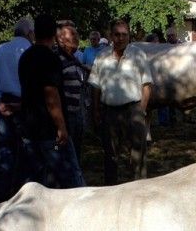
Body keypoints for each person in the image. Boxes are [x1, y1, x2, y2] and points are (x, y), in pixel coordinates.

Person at [18, 14, 85, 189]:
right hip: (49, 132)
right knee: (69, 175)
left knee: (38, 178)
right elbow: (51, 95)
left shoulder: (25, 57)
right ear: (54, 35)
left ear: (34, 33)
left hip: (29, 129)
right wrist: (61, 127)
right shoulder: (50, 58)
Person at [89, 19, 152, 185]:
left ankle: (140, 189)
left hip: (133, 110)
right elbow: (95, 87)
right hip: (109, 112)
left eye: (124, 34)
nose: (121, 38)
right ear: (111, 35)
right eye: (117, 34)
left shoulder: (138, 55)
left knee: (138, 153)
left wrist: (141, 111)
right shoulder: (101, 57)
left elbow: (146, 85)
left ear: (129, 36)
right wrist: (95, 110)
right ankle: (111, 190)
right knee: (110, 155)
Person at [0, 17, 34, 200]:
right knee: (27, 147)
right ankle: (24, 192)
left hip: (3, 102)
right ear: (30, 33)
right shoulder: (30, 50)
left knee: (6, 148)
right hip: (24, 103)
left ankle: (3, 192)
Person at [56, 23, 88, 163]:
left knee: (75, 151)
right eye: (72, 35)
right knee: (66, 153)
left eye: (77, 34)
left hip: (77, 112)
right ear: (61, 39)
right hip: (66, 115)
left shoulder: (73, 58)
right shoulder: (57, 59)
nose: (77, 37)